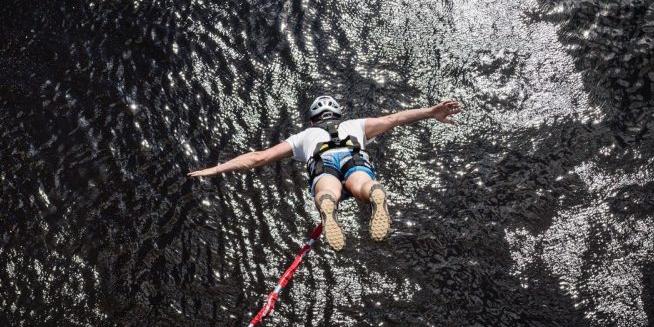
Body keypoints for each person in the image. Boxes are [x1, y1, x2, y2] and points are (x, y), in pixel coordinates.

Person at [188, 97, 462, 251]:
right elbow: (395, 119)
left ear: (312, 121)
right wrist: (431, 112)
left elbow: (257, 158)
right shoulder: (356, 125)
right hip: (353, 154)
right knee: (361, 184)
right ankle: (373, 193)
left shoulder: (302, 136)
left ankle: (327, 206)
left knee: (327, 190)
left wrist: (215, 169)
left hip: (323, 161)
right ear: (338, 115)